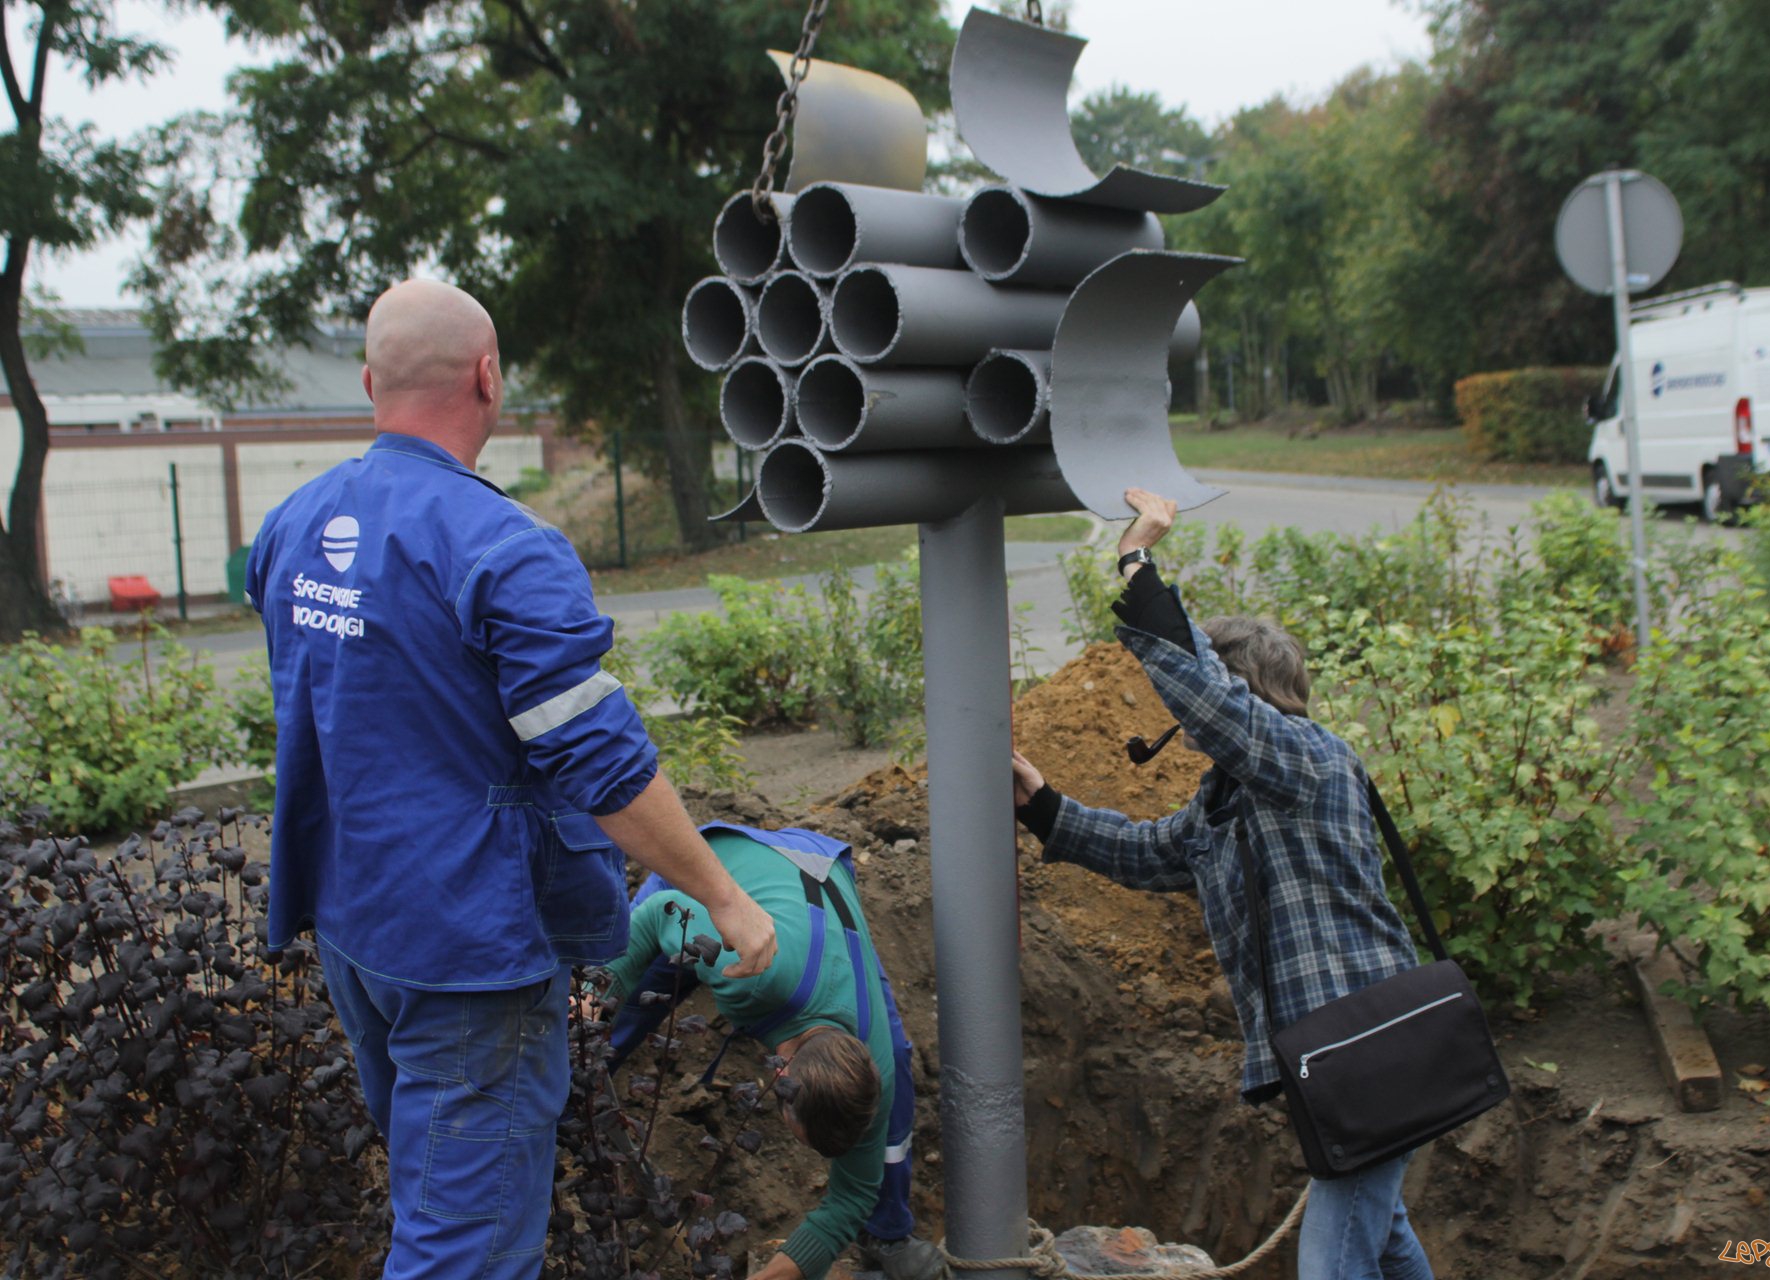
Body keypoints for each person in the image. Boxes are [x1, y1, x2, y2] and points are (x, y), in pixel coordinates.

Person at [246, 278, 778, 1280]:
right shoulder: (501, 546)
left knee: (434, 1195)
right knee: (465, 1250)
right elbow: (599, 758)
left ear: (370, 382)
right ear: (489, 377)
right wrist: (723, 894)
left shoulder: (292, 525)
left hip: (357, 932)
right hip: (463, 954)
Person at [1010, 489, 1433, 1280]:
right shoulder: (1229, 802)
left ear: (1247, 693)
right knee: (1385, 1233)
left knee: (1333, 1262)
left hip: (1369, 1050)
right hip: (1336, 1061)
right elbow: (1143, 851)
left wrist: (1137, 562)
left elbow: (1214, 709)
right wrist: (1043, 808)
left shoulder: (1309, 761)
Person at [592, 822, 942, 1280]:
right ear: (779, 1076)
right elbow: (662, 914)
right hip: (715, 868)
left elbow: (852, 1197)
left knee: (898, 1051)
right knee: (615, 1015)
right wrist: (593, 996)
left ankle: (888, 1231)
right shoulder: (753, 977)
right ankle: (565, 1090)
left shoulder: (876, 1071)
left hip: (818, 878)